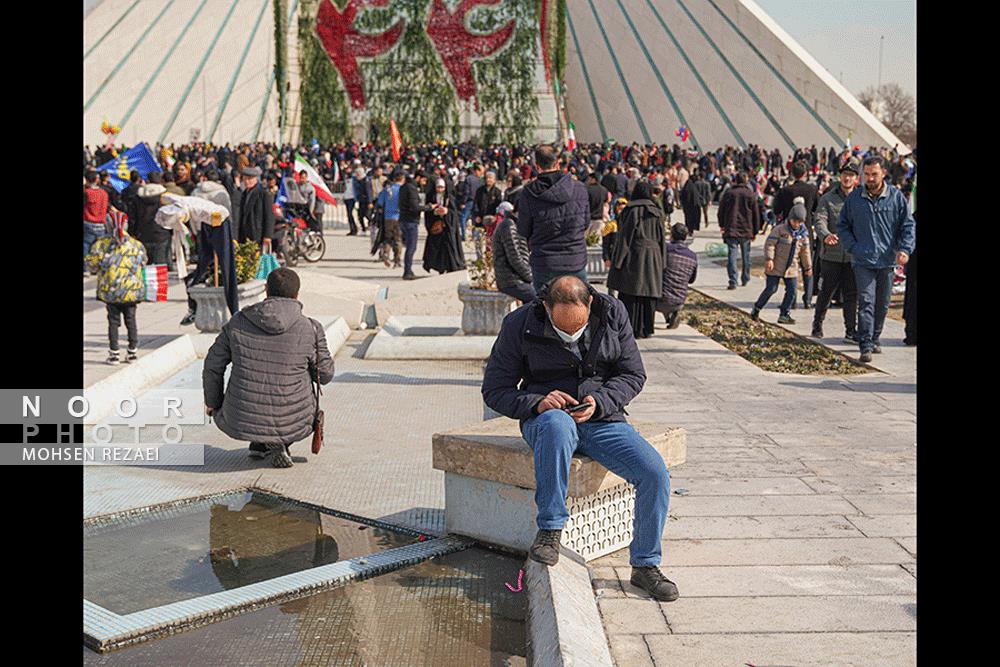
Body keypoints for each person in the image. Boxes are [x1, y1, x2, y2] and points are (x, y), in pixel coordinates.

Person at [481, 275, 678, 602]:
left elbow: (633, 374)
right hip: (547, 419)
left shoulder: (613, 312)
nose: (571, 336)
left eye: (578, 329)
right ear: (545, 307)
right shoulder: (519, 323)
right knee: (557, 426)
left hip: (601, 418)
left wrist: (600, 401)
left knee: (654, 472)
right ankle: (550, 530)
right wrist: (537, 402)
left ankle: (645, 565)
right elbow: (495, 390)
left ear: (589, 303)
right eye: (563, 331)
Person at [203, 268, 335, 468]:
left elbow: (213, 364)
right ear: (297, 295)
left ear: (266, 290)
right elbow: (325, 375)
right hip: (295, 419)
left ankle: (260, 442)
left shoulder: (238, 321)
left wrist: (213, 402)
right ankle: (279, 440)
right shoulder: (311, 327)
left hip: (239, 417)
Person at [837, 156, 915, 362]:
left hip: (887, 261)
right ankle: (865, 343)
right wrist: (852, 247)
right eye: (867, 174)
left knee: (882, 304)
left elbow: (907, 226)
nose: (870, 179)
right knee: (866, 301)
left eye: (874, 174)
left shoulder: (896, 198)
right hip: (863, 260)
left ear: (884, 174)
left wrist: (905, 249)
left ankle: (875, 336)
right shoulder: (854, 199)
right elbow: (842, 225)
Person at [517, 145, 590, 293]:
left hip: (545, 262)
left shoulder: (529, 193)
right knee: (578, 309)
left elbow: (523, 229)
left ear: (537, 166)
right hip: (574, 260)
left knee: (544, 311)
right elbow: (585, 223)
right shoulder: (580, 188)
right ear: (557, 163)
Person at [85, 209, 147, 365]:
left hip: (111, 291)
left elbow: (91, 265)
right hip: (131, 291)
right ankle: (132, 352)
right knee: (131, 320)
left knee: (113, 322)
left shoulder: (101, 245)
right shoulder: (136, 244)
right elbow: (144, 261)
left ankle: (114, 354)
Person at [607, 182, 665, 339]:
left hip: (635, 256)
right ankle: (647, 328)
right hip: (654, 256)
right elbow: (662, 240)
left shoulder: (632, 211)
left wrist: (617, 261)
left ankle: (633, 328)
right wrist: (663, 261)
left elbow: (625, 238)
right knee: (648, 293)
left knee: (632, 292)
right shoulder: (657, 212)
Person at [811, 158, 860, 341]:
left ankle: (850, 330)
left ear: (856, 179)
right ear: (840, 176)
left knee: (851, 295)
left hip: (852, 256)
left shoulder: (861, 199)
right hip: (830, 256)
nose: (847, 178)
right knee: (826, 292)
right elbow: (819, 220)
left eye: (851, 175)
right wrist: (825, 235)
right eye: (845, 175)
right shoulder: (827, 198)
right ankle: (817, 325)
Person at [751, 202, 812, 324]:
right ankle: (757, 308)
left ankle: (784, 313)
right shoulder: (779, 230)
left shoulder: (803, 235)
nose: (796, 224)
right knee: (771, 289)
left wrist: (808, 267)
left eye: (799, 222)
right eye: (794, 221)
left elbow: (805, 253)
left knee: (792, 291)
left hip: (792, 267)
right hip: (776, 265)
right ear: (790, 218)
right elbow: (770, 244)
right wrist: (769, 259)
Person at [773, 161, 819, 308]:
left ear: (791, 173)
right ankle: (808, 299)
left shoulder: (785, 190)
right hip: (806, 232)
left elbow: (776, 210)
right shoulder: (812, 189)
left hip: (789, 233)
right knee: (808, 266)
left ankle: (791, 299)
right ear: (805, 173)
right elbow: (817, 209)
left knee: (791, 266)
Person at [717, 171, 761, 289]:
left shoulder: (729, 193)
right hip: (746, 229)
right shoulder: (750, 194)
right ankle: (745, 277)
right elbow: (756, 214)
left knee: (732, 255)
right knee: (746, 256)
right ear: (746, 181)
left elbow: (721, 210)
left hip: (731, 228)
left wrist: (722, 224)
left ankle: (733, 280)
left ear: (735, 180)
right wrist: (756, 230)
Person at [492, 202, 534, 303]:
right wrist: (531, 277)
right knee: (538, 297)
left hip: (519, 277)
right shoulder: (509, 226)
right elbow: (515, 258)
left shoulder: (518, 224)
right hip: (510, 280)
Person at [658, 223, 698, 329]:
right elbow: (691, 280)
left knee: (663, 283)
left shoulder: (664, 250)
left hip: (658, 299)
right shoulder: (692, 256)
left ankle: (667, 316)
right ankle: (673, 314)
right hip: (679, 301)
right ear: (685, 237)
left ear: (671, 235)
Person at [422, 177, 465, 275]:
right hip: (436, 226)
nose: (440, 190)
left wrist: (447, 212)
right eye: (438, 188)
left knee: (449, 247)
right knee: (436, 248)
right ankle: (439, 267)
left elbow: (454, 212)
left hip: (447, 227)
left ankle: (451, 266)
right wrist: (435, 212)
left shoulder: (449, 197)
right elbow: (428, 212)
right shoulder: (431, 197)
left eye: (442, 188)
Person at [236, 166, 274, 250]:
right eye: (245, 179)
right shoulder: (244, 194)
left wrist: (268, 235)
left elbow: (269, 215)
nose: (247, 181)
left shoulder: (263, 194)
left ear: (256, 179)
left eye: (249, 179)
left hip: (257, 233)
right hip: (245, 233)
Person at [399, 171, 426, 280]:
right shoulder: (411, 188)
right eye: (423, 180)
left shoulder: (404, 187)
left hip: (404, 219)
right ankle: (407, 271)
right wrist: (429, 207)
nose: (424, 183)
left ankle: (408, 270)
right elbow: (415, 207)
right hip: (411, 220)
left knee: (409, 246)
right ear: (418, 177)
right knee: (411, 247)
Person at [375, 169, 405, 269]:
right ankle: (397, 260)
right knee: (397, 239)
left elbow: (380, 202)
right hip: (398, 216)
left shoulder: (387, 189)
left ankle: (386, 255)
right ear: (402, 179)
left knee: (388, 238)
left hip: (387, 217)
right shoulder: (402, 190)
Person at [83, 170, 110, 272]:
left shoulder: (87, 193)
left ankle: (86, 269)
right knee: (100, 247)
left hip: (88, 222)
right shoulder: (104, 193)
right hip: (101, 224)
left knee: (86, 246)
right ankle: (99, 267)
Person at [679, 169, 702, 237]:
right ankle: (690, 230)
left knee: (688, 219)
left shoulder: (688, 186)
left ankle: (689, 230)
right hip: (692, 207)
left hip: (688, 207)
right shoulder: (692, 187)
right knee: (691, 219)